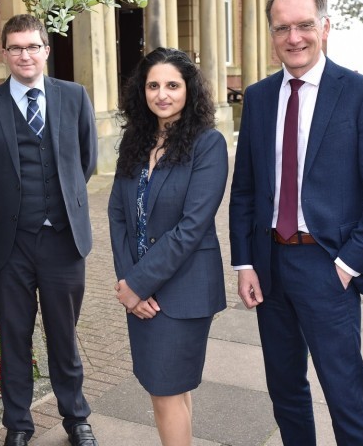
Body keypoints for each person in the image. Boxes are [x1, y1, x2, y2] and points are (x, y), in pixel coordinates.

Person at [229, 0, 363, 446]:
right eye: (282, 28)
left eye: (305, 25)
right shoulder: (260, 97)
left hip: (328, 266)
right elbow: (245, 189)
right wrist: (245, 262)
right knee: (285, 389)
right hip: (269, 265)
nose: (294, 37)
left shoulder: (360, 93)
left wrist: (348, 265)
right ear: (271, 35)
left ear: (325, 27)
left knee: (345, 394)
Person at [0, 14, 98, 446]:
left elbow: (86, 161)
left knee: (64, 336)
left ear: (46, 49)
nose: (25, 54)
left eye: (33, 46)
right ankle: (18, 426)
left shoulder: (75, 96)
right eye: (16, 47)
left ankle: (76, 418)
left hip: (63, 240)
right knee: (14, 339)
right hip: (9, 244)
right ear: (5, 54)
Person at [108, 47, 229, 446]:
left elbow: (192, 227)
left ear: (189, 90)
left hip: (183, 289)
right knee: (170, 389)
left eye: (173, 85)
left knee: (164, 391)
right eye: (154, 85)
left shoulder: (207, 144)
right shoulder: (134, 141)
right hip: (139, 289)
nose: (163, 94)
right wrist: (128, 283)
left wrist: (138, 284)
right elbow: (117, 215)